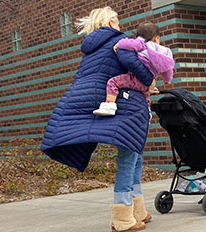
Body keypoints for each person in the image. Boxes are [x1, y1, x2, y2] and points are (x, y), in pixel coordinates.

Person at [40, 7, 154, 232]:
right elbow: (131, 63)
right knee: (130, 156)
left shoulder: (91, 49)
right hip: (125, 104)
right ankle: (122, 218)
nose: (120, 24)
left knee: (135, 153)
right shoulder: (121, 41)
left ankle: (138, 210)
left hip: (99, 102)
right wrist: (149, 81)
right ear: (111, 22)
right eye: (118, 20)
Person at [93, 22, 174, 116]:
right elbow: (168, 68)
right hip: (148, 84)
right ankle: (147, 110)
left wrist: (118, 44)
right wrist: (167, 80)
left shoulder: (141, 44)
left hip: (136, 79)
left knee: (113, 82)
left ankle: (109, 106)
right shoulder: (166, 51)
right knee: (145, 94)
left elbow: (126, 43)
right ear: (157, 38)